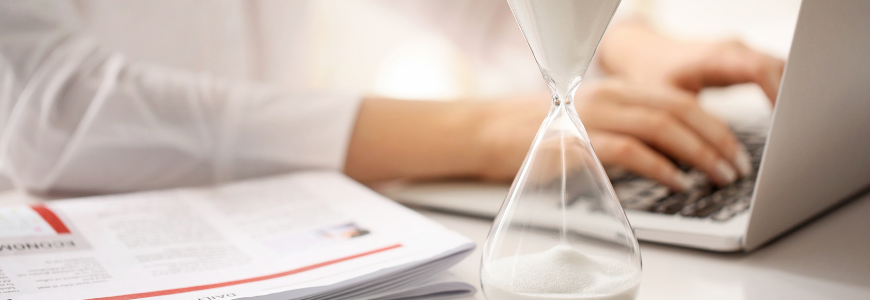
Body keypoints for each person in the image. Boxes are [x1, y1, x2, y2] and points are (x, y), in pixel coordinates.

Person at [0, 1, 783, 196]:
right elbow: (48, 110)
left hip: (282, 233)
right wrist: (483, 131)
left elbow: (473, 8)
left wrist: (625, 44)